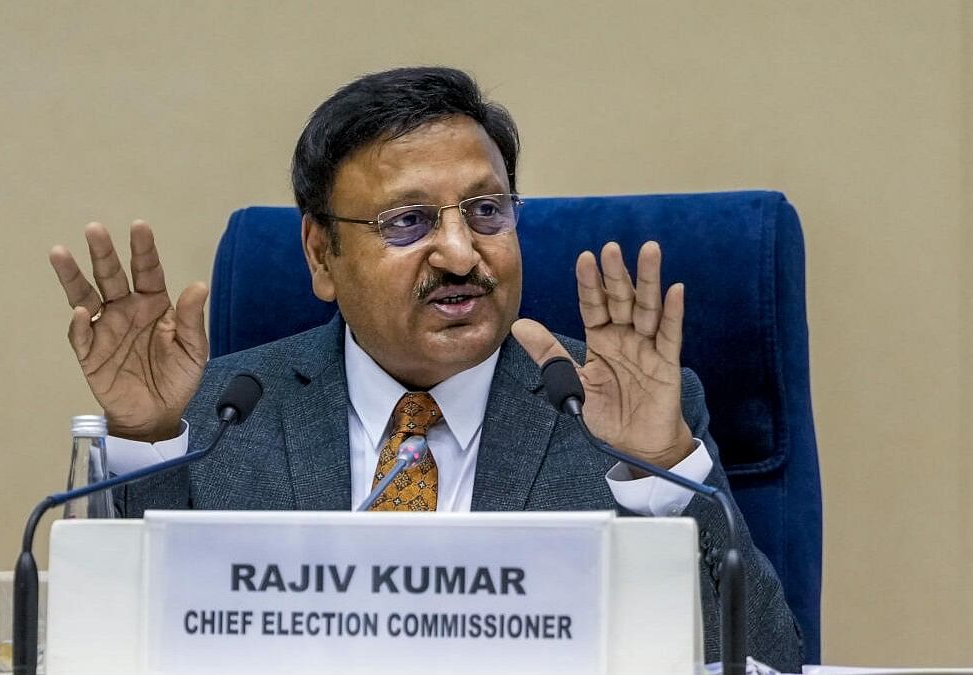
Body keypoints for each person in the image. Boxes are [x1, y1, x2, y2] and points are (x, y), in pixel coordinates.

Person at [47, 66, 802, 670]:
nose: (460, 253)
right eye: (408, 222)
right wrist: (147, 441)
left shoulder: (612, 414)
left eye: (486, 211)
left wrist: (657, 471)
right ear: (320, 254)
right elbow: (115, 649)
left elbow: (765, 659)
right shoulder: (215, 416)